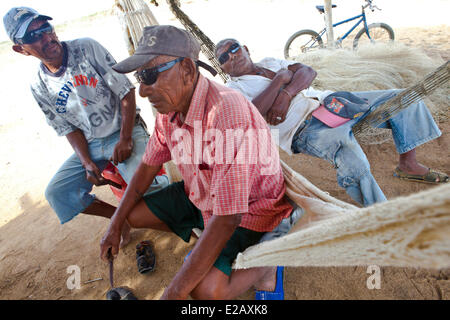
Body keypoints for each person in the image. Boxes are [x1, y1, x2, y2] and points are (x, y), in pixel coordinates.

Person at [99, 25, 302, 300]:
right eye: (139, 78)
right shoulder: (168, 112)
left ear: (187, 69)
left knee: (205, 292)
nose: (143, 91)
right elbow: (147, 166)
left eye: (149, 75)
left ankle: (266, 266)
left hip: (252, 209)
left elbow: (230, 215)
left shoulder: (226, 113)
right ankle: (210, 247)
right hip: (204, 197)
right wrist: (115, 222)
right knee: (131, 214)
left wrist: (173, 293)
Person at [3, 7, 168, 246]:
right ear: (20, 49)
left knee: (146, 187)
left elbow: (126, 92)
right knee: (58, 193)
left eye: (45, 28)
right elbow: (68, 128)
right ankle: (118, 221)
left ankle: (175, 204)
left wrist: (125, 138)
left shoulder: (86, 48)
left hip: (126, 129)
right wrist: (86, 161)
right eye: (33, 36)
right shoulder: (38, 85)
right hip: (91, 144)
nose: (46, 37)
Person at [215, 38, 448, 207]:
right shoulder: (234, 90)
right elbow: (252, 114)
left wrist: (286, 94)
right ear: (222, 67)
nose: (232, 56)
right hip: (304, 129)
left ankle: (408, 164)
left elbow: (307, 71)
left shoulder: (270, 61)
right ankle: (381, 215)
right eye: (224, 57)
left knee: (405, 98)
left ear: (245, 48)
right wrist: (279, 81)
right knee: (351, 156)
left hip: (330, 102)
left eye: (233, 49)